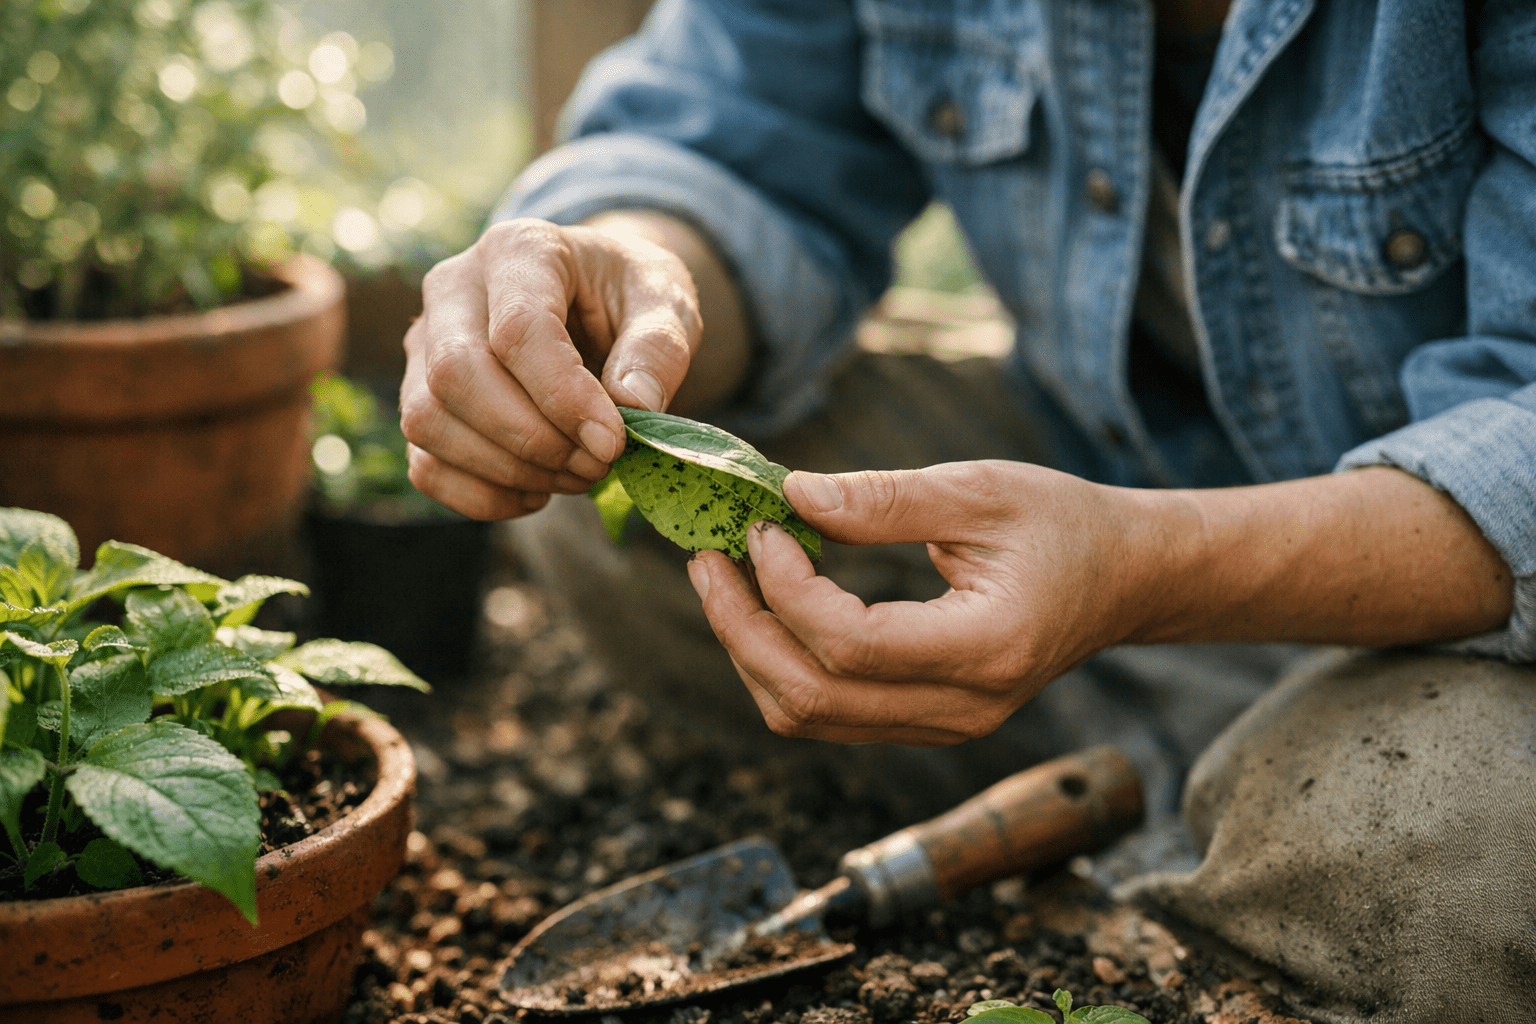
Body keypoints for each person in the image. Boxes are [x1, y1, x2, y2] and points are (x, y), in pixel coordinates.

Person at [399, 0, 1536, 1018]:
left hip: (1461, 588)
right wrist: (628, 273)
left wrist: (1146, 571)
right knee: (595, 491)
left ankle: (1200, 782)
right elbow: (732, 126)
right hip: (1100, 459)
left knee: (1451, 838)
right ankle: (1223, 794)